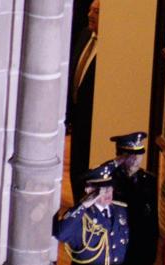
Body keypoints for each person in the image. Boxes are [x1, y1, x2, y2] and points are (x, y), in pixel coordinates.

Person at [54, 161, 131, 265]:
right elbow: (61, 234)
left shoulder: (120, 210)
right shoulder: (81, 215)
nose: (108, 193)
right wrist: (83, 205)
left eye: (109, 188)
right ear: (89, 191)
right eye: (101, 190)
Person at [110, 132, 159, 265]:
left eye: (140, 155)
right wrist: (114, 164)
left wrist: (151, 252)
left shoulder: (148, 180)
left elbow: (152, 218)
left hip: (139, 251)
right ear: (121, 156)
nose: (137, 160)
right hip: (117, 251)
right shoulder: (110, 180)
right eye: (131, 155)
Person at [67, 0, 100, 201]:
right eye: (90, 9)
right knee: (76, 168)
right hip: (77, 118)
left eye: (95, 11)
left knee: (87, 170)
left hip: (93, 122)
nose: (89, 14)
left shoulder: (109, 49)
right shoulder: (85, 35)